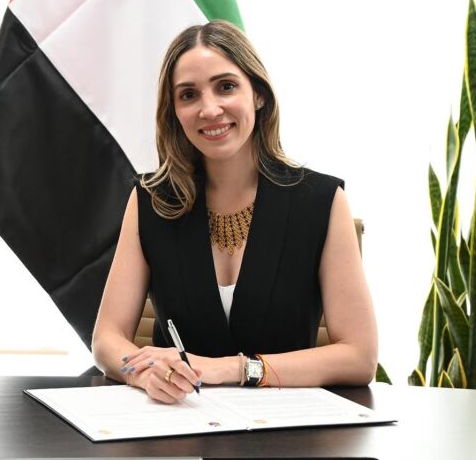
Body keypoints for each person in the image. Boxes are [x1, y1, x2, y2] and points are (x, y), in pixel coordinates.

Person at [91, 20, 377, 403]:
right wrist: (144, 373)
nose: (209, 109)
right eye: (188, 95)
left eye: (226, 86)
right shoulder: (151, 200)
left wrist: (233, 368)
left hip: (288, 425)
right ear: (174, 111)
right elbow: (106, 339)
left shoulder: (322, 200)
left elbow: (359, 357)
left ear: (258, 94)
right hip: (178, 421)